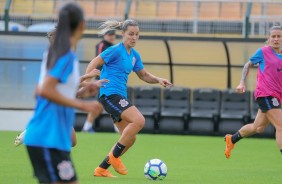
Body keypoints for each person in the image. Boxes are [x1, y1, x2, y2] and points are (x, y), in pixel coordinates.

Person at [81, 19, 173, 177]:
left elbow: (143, 75)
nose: (134, 37)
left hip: (118, 96)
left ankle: (102, 168)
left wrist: (158, 80)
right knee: (139, 121)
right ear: (123, 34)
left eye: (137, 34)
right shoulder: (115, 50)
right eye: (131, 34)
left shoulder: (134, 55)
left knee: (130, 138)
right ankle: (114, 157)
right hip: (109, 94)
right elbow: (95, 62)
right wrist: (88, 80)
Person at [23, 3, 103, 184]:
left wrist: (83, 91)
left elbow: (42, 89)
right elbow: (44, 90)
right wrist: (83, 105)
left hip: (54, 138)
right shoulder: (65, 55)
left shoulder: (55, 52)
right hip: (47, 137)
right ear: (82, 24)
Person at [224, 24, 282, 159]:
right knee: (281, 125)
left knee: (258, 128)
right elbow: (248, 64)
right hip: (265, 94)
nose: (276, 39)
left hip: (276, 96)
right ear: (269, 38)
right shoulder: (263, 51)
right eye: (273, 36)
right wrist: (242, 82)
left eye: (279, 36)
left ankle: (232, 139)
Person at [82, 30, 116, 133]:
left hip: (108, 79)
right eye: (110, 35)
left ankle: (87, 127)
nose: (112, 37)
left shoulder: (113, 47)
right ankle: (86, 127)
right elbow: (99, 61)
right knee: (101, 103)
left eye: (113, 35)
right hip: (101, 79)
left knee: (105, 103)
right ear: (105, 35)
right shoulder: (102, 45)